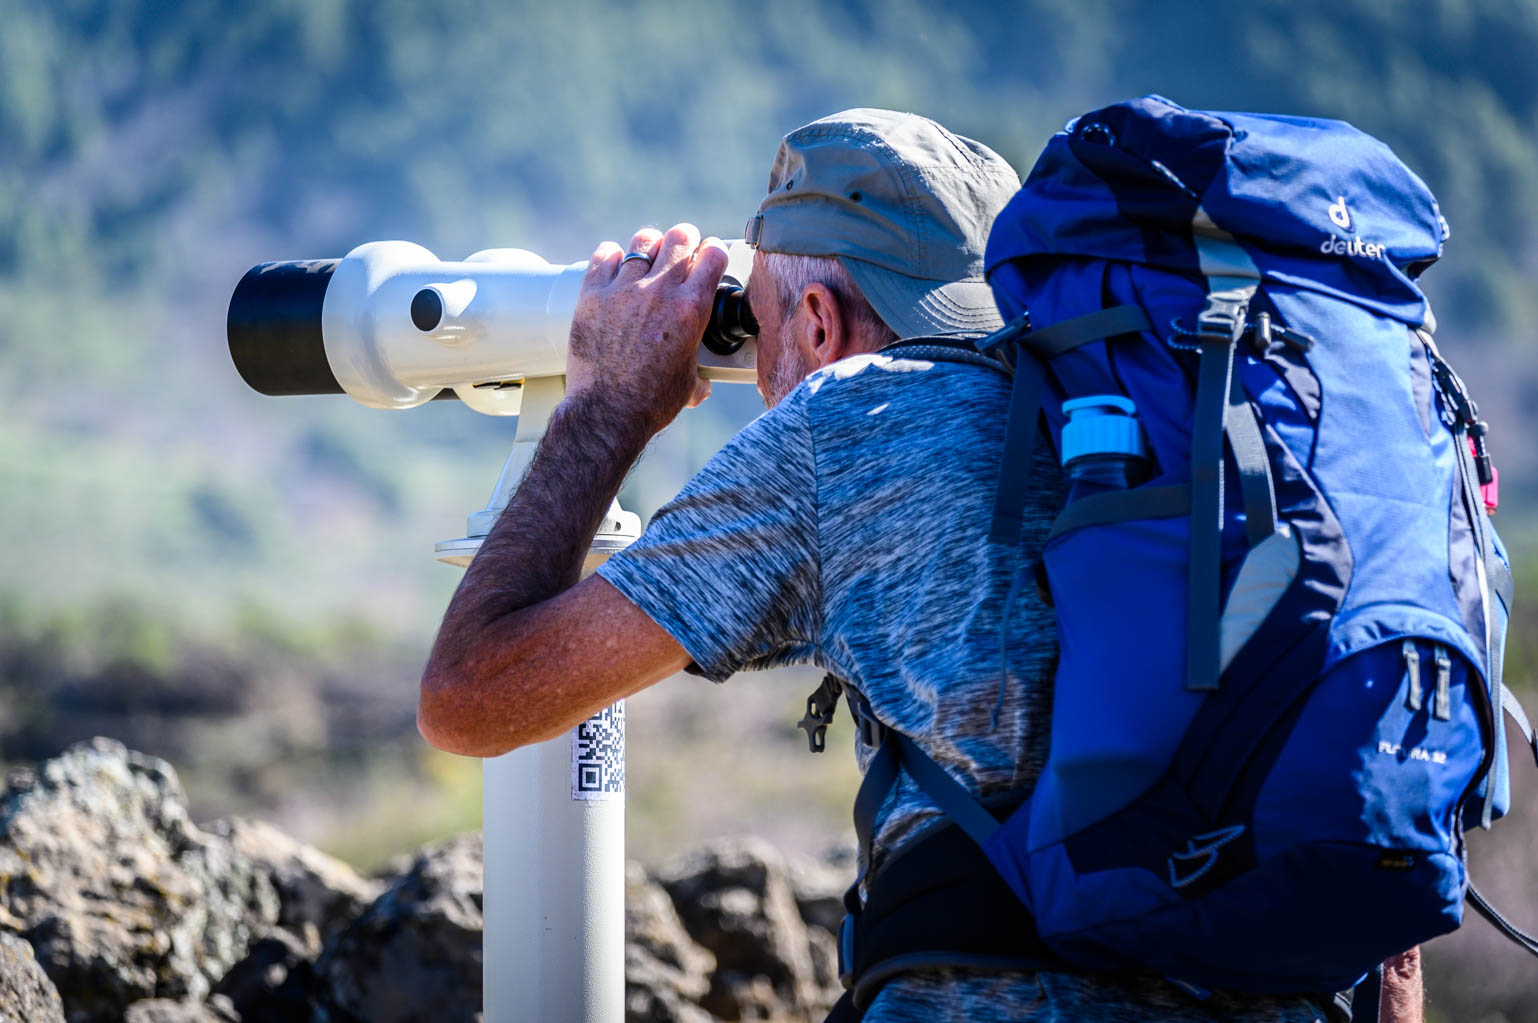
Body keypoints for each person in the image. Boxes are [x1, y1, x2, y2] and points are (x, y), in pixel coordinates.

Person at [417, 109, 1399, 1022]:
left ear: (811, 321)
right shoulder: (1205, 434)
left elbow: (473, 698)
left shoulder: (853, 421)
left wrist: (610, 402)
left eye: (751, 325)